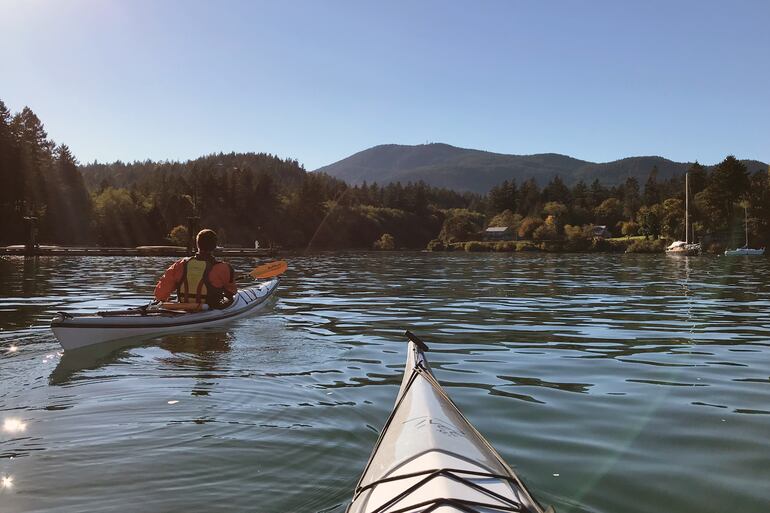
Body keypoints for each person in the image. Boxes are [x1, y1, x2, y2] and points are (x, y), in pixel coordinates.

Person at [154, 229, 237, 309]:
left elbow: (160, 294)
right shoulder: (224, 268)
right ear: (215, 246)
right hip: (210, 309)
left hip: (183, 308)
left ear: (197, 245)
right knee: (230, 298)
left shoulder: (180, 264)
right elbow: (231, 292)